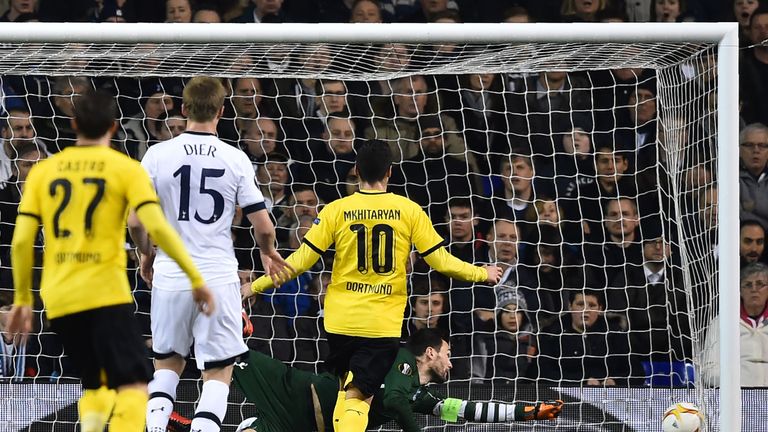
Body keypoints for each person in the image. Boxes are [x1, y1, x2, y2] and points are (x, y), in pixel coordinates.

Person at [243, 140, 502, 432]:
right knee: (359, 398)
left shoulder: (336, 210)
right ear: (389, 173)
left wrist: (255, 286)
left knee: (346, 387)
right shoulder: (409, 210)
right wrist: (482, 273)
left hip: (339, 320)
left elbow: (301, 260)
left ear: (356, 171)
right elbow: (441, 262)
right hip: (379, 325)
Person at [6, 88, 212, 432]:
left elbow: (22, 240)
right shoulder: (126, 169)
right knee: (133, 386)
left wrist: (23, 300)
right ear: (114, 127)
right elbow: (155, 225)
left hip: (59, 298)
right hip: (105, 293)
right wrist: (194, 276)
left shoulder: (44, 171)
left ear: (73, 123)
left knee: (95, 382)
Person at [137, 77, 292, 432]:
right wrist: (267, 253)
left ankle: (155, 427)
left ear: (183, 109)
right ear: (222, 112)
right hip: (218, 278)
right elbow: (265, 226)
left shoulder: (157, 155)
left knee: (167, 364)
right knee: (218, 371)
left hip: (171, 275)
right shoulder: (235, 159)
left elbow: (136, 222)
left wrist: (147, 257)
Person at [193, 328, 561, 432]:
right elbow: (396, 402)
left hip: (307, 426)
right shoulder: (396, 362)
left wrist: (525, 412)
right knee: (229, 353)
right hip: (305, 394)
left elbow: (465, 410)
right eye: (447, 352)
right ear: (429, 353)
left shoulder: (417, 393)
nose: (452, 361)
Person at [702, 262, 768, 387]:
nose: (754, 289)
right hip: (737, 395)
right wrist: (736, 386)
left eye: (760, 284)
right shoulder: (722, 322)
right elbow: (709, 371)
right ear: (740, 291)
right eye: (748, 285)